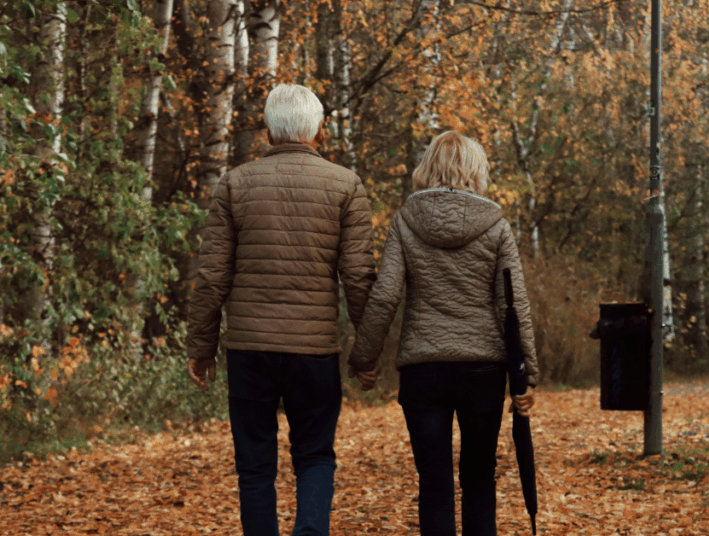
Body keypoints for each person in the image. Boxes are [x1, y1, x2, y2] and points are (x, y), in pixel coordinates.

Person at [186, 83, 376, 536]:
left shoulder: (235, 183)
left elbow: (213, 275)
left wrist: (202, 346)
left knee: (254, 466)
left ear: (269, 133)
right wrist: (366, 354)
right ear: (318, 132)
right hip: (314, 352)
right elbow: (359, 277)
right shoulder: (345, 185)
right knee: (314, 457)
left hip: (249, 352)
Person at [347, 131, 539, 536]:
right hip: (483, 370)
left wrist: (365, 359)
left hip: (424, 370)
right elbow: (514, 304)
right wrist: (527, 375)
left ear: (428, 168)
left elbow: (384, 297)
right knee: (479, 478)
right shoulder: (497, 226)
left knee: (433, 480)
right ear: (476, 171)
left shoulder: (405, 221)